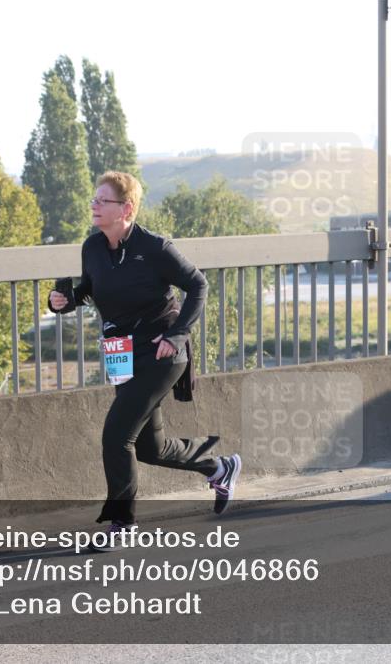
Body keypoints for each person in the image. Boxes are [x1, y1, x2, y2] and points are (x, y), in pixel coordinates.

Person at [48, 171, 240, 547]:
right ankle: (219, 467)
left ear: (127, 209)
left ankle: (123, 524)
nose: (94, 205)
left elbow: (197, 285)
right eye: (94, 199)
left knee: (116, 437)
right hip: (122, 354)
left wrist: (177, 334)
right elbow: (88, 289)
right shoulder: (92, 247)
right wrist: (64, 301)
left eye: (103, 200)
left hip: (160, 352)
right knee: (150, 448)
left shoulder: (154, 248)